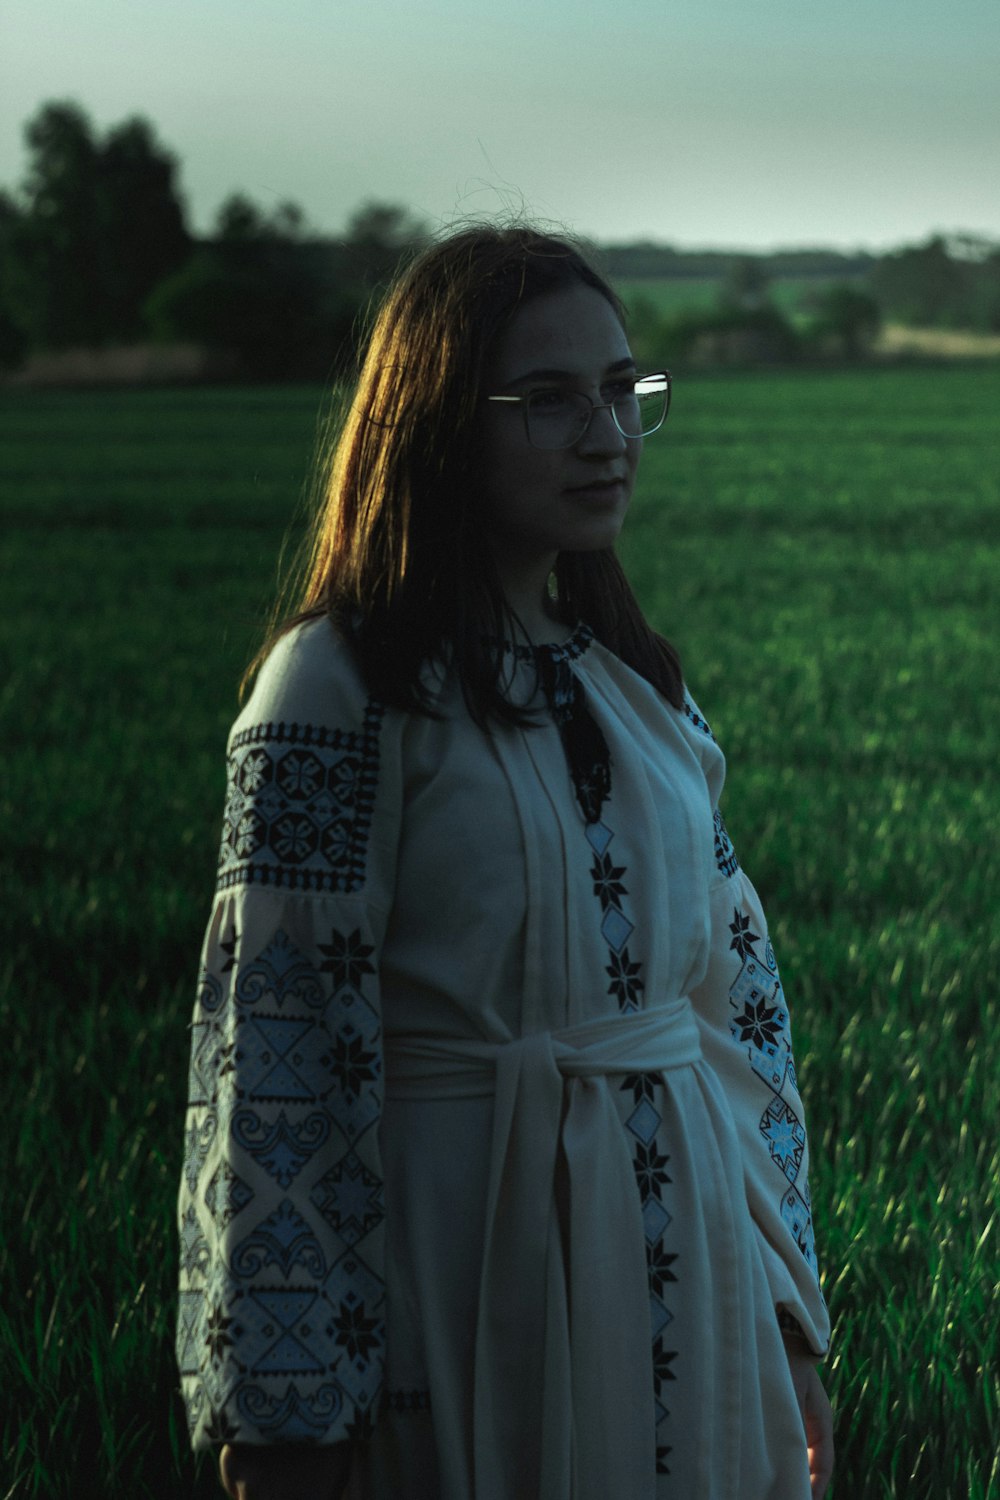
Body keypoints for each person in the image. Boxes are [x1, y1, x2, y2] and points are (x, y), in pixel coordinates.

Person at [176, 223, 834, 1500]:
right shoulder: (335, 686)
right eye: (547, 399)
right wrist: (287, 1410)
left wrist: (792, 1319)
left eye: (621, 390)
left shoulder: (641, 685)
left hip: (686, 1280)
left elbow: (738, 1023)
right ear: (434, 422)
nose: (606, 433)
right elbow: (278, 1055)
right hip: (462, 1272)